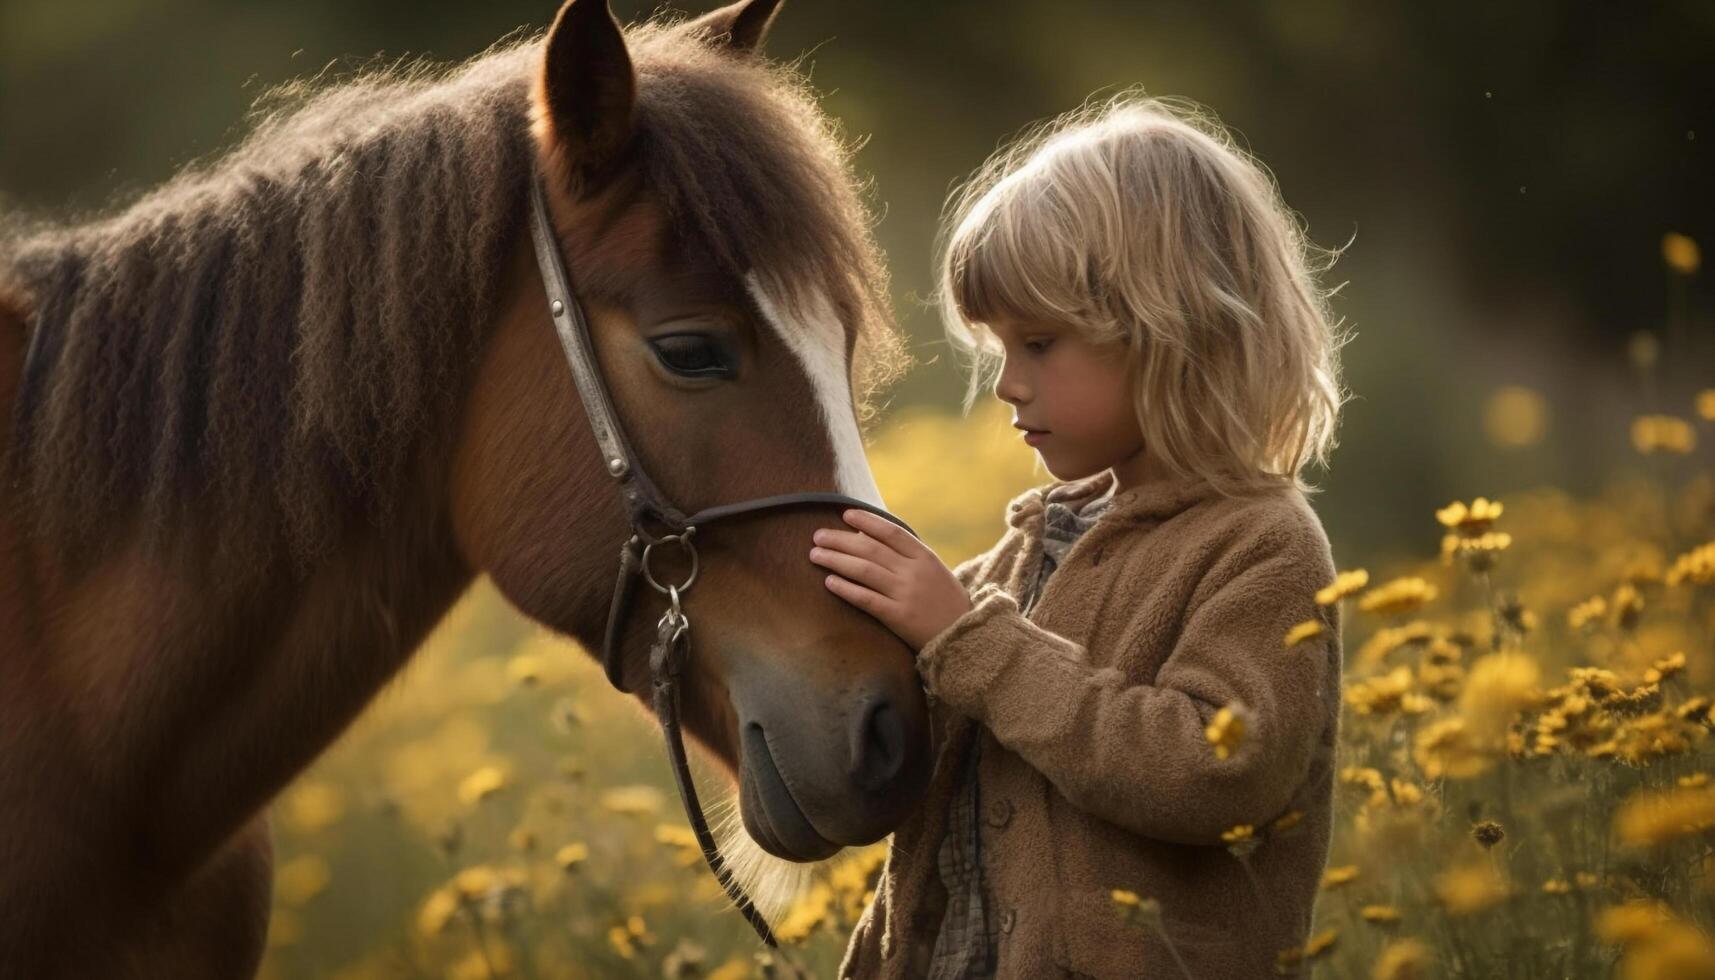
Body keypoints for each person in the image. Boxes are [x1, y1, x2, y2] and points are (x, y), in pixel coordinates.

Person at [808, 90, 1353, 978]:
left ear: (1171, 332)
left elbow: (1215, 773)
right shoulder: (1038, 545)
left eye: (1039, 344)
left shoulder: (1260, 546)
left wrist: (965, 638)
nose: (1007, 387)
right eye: (998, 352)